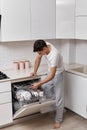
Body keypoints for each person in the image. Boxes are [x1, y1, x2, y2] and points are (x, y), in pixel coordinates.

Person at [30, 40, 64, 129]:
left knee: (59, 97)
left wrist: (39, 83)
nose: (39, 54)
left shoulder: (54, 55)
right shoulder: (44, 44)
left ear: (45, 48)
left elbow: (52, 75)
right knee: (45, 88)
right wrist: (34, 71)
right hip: (50, 71)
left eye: (40, 52)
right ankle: (59, 108)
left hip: (58, 74)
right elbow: (38, 58)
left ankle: (58, 120)